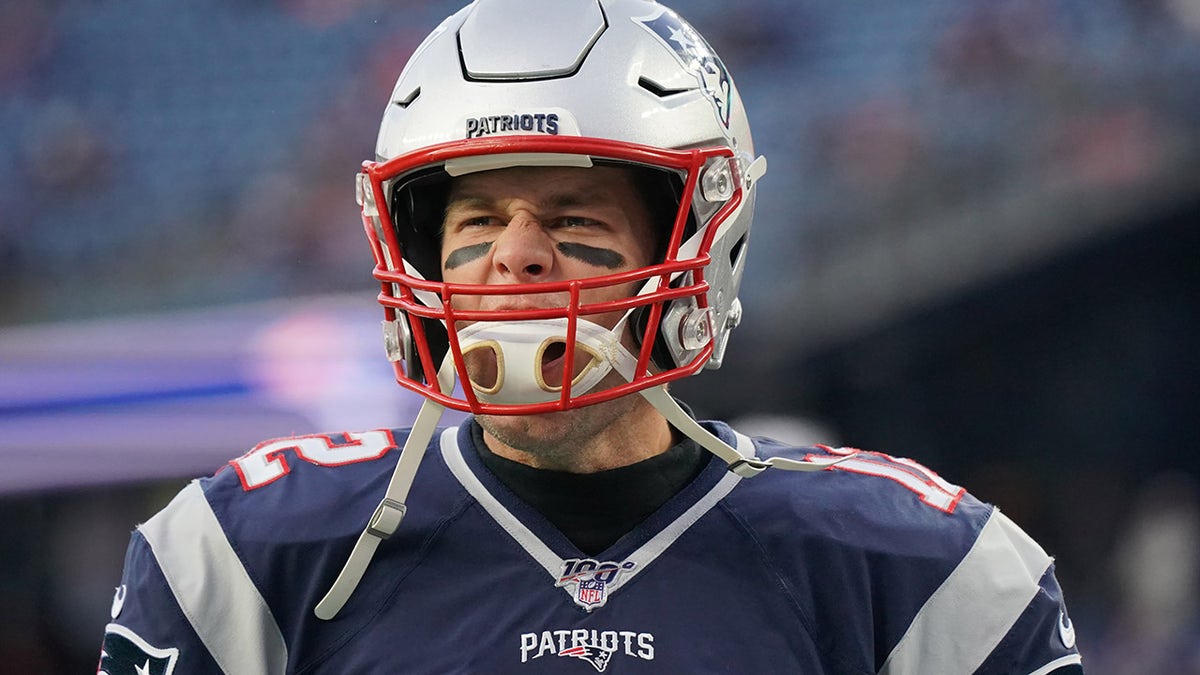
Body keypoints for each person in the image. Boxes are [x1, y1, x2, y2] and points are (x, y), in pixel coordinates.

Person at [98, 0, 1084, 672]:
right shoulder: (252, 556)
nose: (515, 259)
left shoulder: (913, 571)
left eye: (574, 222)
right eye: (476, 223)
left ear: (700, 246)